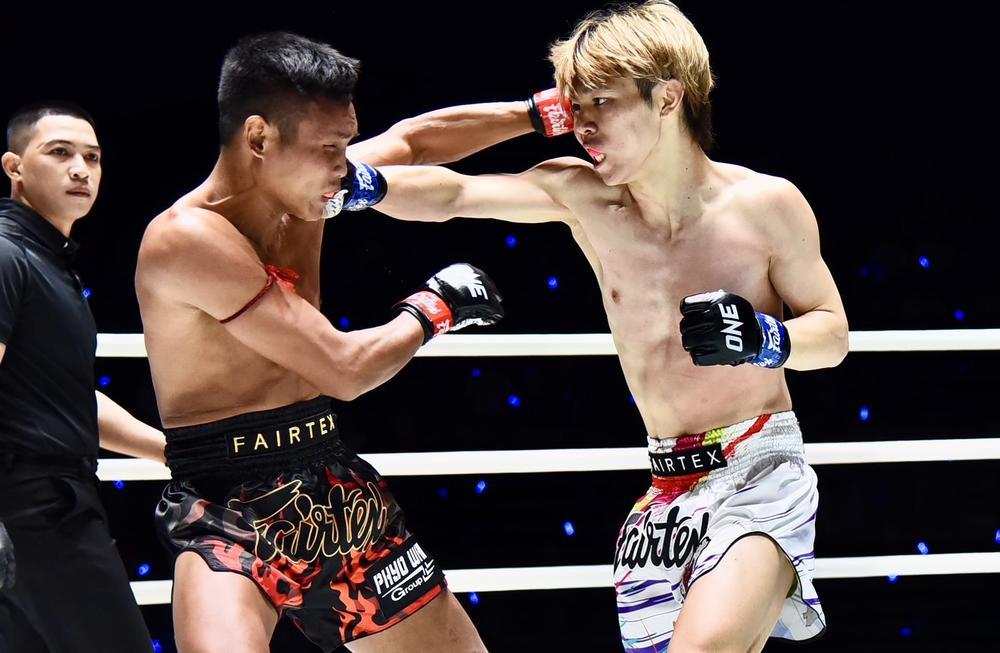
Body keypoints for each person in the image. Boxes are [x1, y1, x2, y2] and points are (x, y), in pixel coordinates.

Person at [367, 2, 850, 651]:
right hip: (664, 489)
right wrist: (358, 185)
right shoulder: (584, 197)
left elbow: (833, 334)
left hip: (758, 467)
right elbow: (450, 194)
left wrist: (767, 339)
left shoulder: (766, 205)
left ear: (667, 98)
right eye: (576, 105)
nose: (583, 124)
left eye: (602, 101)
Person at [133, 32, 554, 653]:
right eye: (330, 147)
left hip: (333, 489)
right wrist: (434, 308)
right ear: (259, 138)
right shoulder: (186, 239)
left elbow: (414, 142)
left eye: (346, 143)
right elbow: (344, 369)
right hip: (228, 506)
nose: (344, 165)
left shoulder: (310, 194)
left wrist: (541, 114)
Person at [0, 102, 165, 652]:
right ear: (14, 167)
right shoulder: (7, 255)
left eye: (92, 158)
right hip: (36, 511)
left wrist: (172, 453)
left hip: (45, 506)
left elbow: (66, 397)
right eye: (60, 153)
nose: (80, 169)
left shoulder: (46, 260)